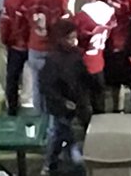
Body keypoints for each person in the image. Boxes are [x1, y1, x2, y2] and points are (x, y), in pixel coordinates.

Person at [39, 19, 90, 175]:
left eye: (75, 37)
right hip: (60, 108)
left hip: (77, 104)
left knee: (62, 136)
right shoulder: (52, 60)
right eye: (70, 38)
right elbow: (46, 86)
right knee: (61, 136)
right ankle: (55, 164)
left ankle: (53, 164)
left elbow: (83, 77)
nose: (73, 41)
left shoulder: (76, 54)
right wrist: (63, 102)